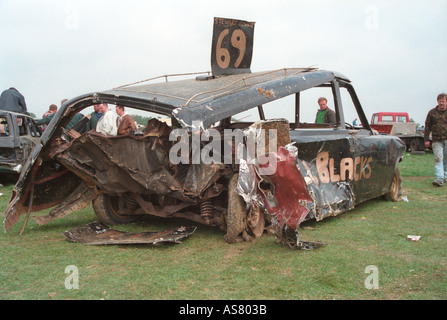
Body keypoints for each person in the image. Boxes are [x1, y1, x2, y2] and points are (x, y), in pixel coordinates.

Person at [424, 93, 447, 187]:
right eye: (439, 101)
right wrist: (426, 139)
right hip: (436, 140)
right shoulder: (432, 113)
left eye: (443, 101)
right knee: (438, 159)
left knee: (446, 159)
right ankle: (439, 178)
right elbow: (427, 126)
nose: (441, 103)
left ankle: (445, 176)